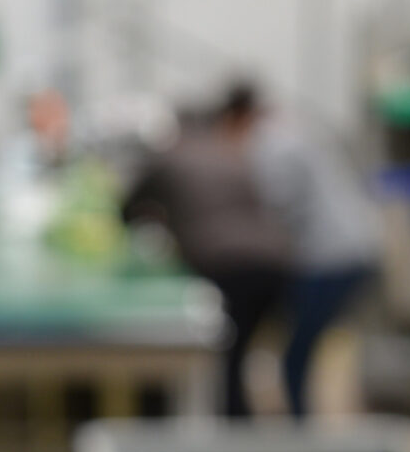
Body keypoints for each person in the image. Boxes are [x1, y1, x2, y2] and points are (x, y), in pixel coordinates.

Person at [121, 95, 291, 419]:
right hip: (275, 261)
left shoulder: (170, 157)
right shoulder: (230, 154)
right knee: (240, 352)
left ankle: (229, 431)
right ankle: (238, 420)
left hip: (226, 263)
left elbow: (129, 207)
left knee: (224, 355)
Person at [243, 84, 382, 418]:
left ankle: (301, 428)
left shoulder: (273, 143)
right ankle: (306, 420)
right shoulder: (294, 132)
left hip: (330, 258)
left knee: (298, 353)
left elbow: (277, 202)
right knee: (314, 344)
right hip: (356, 248)